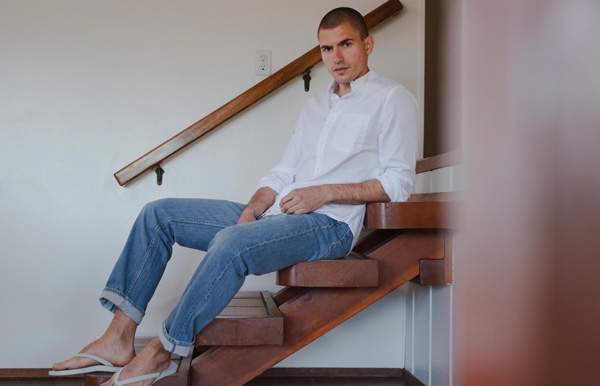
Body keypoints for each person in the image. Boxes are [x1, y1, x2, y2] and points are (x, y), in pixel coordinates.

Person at [51, 6, 417, 386]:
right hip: (278, 214)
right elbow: (282, 172)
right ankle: (117, 337)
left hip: (331, 225)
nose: (336, 57)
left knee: (230, 242)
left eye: (346, 44)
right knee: (157, 214)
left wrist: (322, 193)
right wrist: (252, 209)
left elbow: (399, 183)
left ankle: (162, 351)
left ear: (368, 44)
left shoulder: (393, 99)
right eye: (326, 49)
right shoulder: (316, 105)